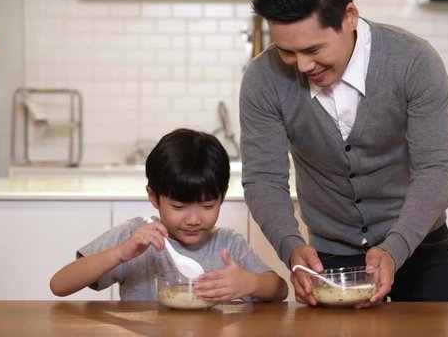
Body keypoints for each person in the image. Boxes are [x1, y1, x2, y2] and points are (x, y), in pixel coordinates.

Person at [240, 0, 448, 307]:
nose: (302, 66)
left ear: (350, 17)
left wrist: (394, 248)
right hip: (329, 260)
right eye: (287, 51)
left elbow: (435, 169)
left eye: (313, 49)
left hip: (418, 246)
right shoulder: (262, 79)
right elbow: (263, 179)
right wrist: (291, 248)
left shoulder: (414, 61)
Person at [50, 128, 288, 302]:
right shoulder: (136, 237)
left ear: (222, 197)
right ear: (154, 198)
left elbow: (280, 290)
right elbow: (59, 285)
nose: (194, 219)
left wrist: (249, 283)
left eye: (207, 206)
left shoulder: (228, 244)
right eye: (179, 207)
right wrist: (120, 253)